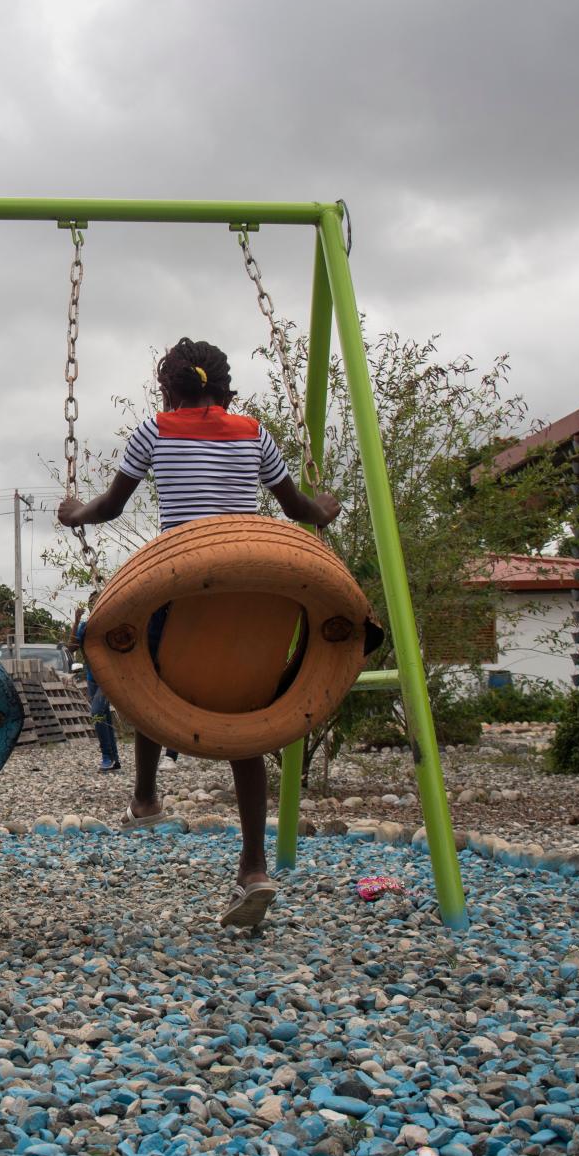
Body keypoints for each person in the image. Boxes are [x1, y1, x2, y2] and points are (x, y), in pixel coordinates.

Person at [58, 338, 341, 930]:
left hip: (183, 582)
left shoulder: (155, 429)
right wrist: (327, 507)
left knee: (137, 674)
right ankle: (255, 865)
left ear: (168, 388)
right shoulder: (254, 432)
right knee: (247, 720)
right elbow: (298, 510)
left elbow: (112, 506)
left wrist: (73, 512)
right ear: (222, 384)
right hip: (255, 593)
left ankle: (145, 797)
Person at [69, 604, 120, 772]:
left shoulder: (112, 624)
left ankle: (107, 756)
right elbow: (72, 647)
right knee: (104, 715)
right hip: (92, 679)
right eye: (92, 603)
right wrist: (76, 621)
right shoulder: (85, 627)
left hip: (108, 678)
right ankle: (114, 758)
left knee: (97, 713)